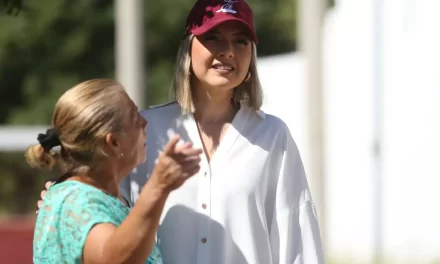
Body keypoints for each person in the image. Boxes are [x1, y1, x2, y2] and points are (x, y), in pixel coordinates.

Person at [39, 0, 325, 263]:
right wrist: (66, 198)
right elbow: (97, 205)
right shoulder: (143, 130)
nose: (227, 51)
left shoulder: (273, 136)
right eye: (213, 37)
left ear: (252, 57)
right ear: (188, 48)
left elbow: (297, 240)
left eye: (241, 41)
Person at [29, 79, 202, 264]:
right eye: (135, 118)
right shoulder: (76, 202)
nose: (145, 122)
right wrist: (158, 186)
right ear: (113, 142)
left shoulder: (95, 196)